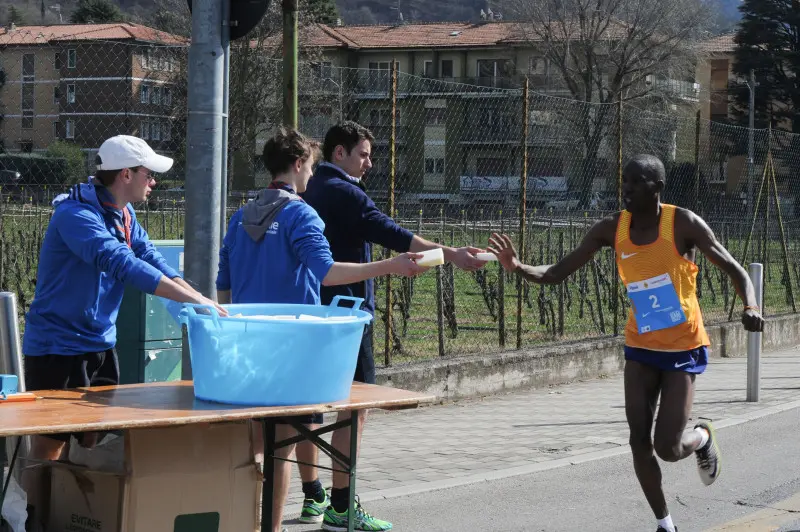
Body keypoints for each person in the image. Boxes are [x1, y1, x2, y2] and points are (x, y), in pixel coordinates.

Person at [487, 154, 765, 532]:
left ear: (657, 188)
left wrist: (750, 305)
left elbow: (734, 268)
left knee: (668, 448)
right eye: (624, 181)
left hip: (683, 347)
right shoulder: (611, 228)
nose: (626, 188)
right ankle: (665, 524)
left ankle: (701, 438)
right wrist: (518, 267)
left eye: (635, 182)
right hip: (640, 347)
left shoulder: (682, 223)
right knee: (638, 440)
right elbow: (556, 272)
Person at [215, 127, 427, 532]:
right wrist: (389, 264)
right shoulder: (300, 214)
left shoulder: (239, 217)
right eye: (310, 166)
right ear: (297, 165)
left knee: (254, 445)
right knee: (281, 443)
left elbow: (224, 284)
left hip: (247, 343)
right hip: (294, 347)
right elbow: (327, 273)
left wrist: (238, 326)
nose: (311, 176)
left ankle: (246, 518)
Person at [22, 135, 224, 516]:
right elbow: (122, 264)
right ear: (126, 174)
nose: (154, 182)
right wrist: (195, 300)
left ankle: (80, 513)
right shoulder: (74, 215)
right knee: (50, 445)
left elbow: (152, 260)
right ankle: (33, 517)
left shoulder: (125, 216)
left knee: (92, 439)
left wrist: (201, 302)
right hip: (55, 349)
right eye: (149, 174)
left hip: (100, 344)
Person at [301, 121, 487, 531]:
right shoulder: (344, 192)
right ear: (339, 153)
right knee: (356, 409)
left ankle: (312, 493)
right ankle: (341, 507)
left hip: (312, 310)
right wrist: (452, 254)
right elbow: (395, 235)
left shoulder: (310, 189)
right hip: (348, 314)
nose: (369, 163)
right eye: (363, 154)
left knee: (308, 406)